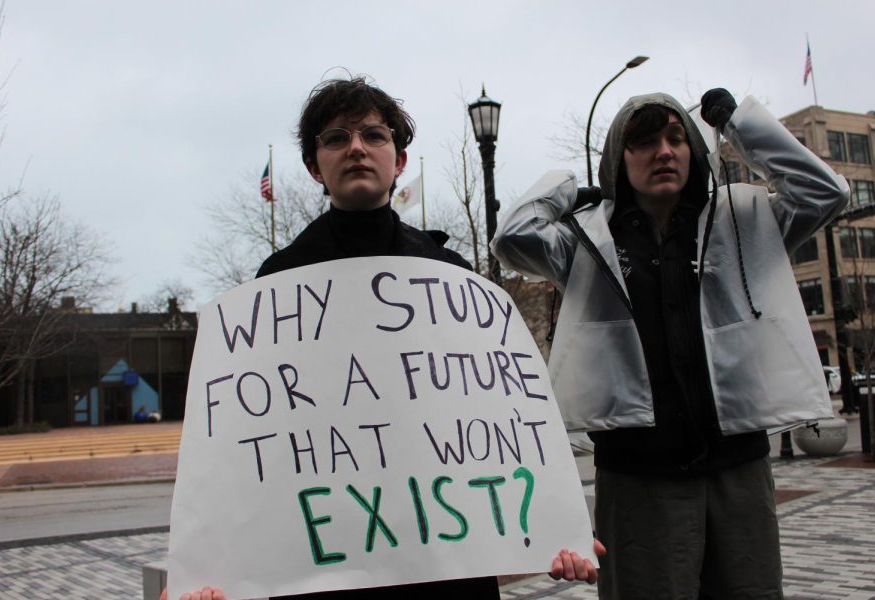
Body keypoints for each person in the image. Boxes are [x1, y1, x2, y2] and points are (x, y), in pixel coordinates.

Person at [165, 75, 601, 600]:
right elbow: (256, 458)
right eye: (336, 138)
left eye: (374, 135)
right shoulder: (274, 289)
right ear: (313, 166)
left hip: (446, 569)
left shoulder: (452, 279)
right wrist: (212, 573)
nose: (355, 148)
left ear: (398, 160)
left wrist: (555, 536)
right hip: (329, 573)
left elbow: (493, 426)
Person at [491, 88, 849, 598]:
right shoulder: (588, 240)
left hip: (738, 470)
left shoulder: (747, 222)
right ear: (618, 159)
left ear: (694, 152)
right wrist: (568, 190)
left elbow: (825, 193)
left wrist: (740, 125)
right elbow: (512, 237)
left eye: (676, 138)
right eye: (643, 142)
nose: (664, 151)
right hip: (638, 480)